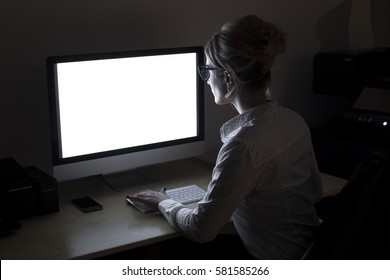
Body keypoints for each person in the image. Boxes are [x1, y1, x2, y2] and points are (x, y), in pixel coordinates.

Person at [129, 14, 323, 259]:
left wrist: (163, 202)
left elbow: (201, 230)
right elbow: (314, 192)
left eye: (208, 70)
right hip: (311, 250)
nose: (206, 80)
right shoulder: (294, 121)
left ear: (228, 79)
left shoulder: (243, 146)